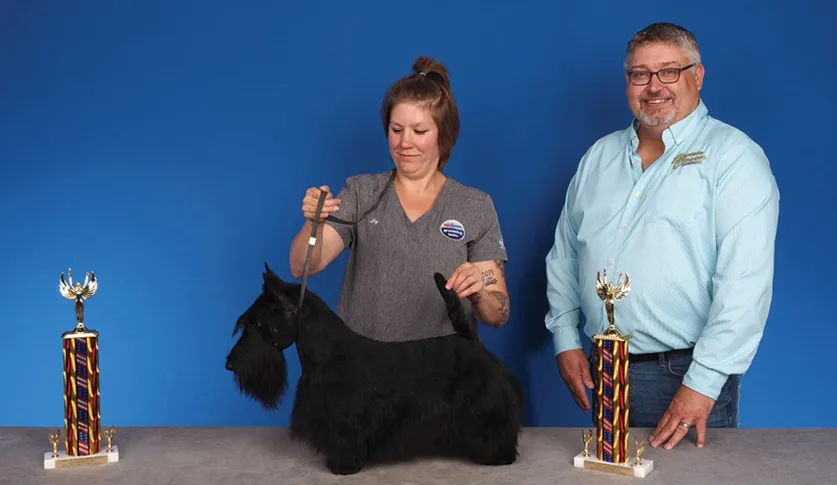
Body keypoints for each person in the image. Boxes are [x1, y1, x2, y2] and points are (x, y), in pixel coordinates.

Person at [544, 22, 779, 451]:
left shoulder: (734, 158)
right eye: (639, 74)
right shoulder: (598, 157)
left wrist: (703, 385)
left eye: (668, 71)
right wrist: (564, 339)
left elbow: (745, 286)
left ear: (698, 76)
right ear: (628, 82)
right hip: (603, 370)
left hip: (682, 377)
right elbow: (564, 256)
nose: (654, 86)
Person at [289, 56, 510, 343]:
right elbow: (301, 267)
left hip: (444, 377)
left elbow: (499, 315)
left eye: (419, 131)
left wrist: (480, 292)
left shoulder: (474, 205)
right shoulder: (361, 191)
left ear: (443, 137)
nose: (405, 142)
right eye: (396, 130)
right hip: (365, 373)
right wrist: (313, 224)